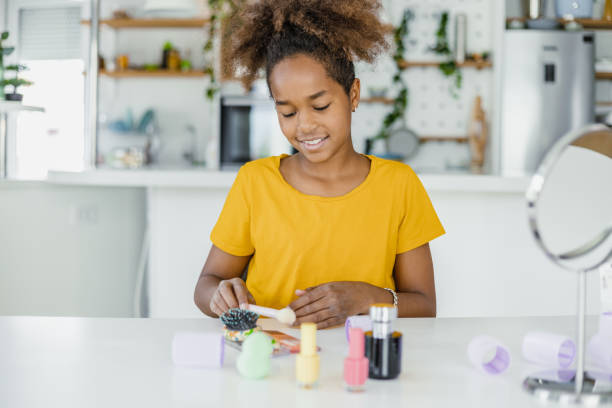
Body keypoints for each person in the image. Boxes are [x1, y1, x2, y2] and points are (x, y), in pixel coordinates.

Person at [194, 0, 445, 329]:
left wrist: (367, 297)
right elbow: (206, 284)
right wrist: (220, 294)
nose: (305, 126)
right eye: (288, 112)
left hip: (361, 365)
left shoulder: (399, 184)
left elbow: (424, 305)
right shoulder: (255, 182)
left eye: (321, 106)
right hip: (272, 362)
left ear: (353, 94)